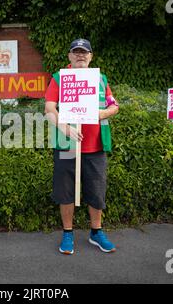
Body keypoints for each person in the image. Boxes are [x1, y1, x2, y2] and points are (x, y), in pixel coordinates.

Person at [45, 39, 119, 255]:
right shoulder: (60, 78)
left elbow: (114, 106)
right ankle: (68, 232)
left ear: (91, 56)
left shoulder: (100, 79)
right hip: (67, 145)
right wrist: (64, 127)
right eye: (76, 52)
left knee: (96, 191)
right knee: (65, 191)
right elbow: (49, 108)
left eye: (84, 52)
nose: (80, 55)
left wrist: (102, 113)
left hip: (95, 146)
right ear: (69, 56)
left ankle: (96, 232)